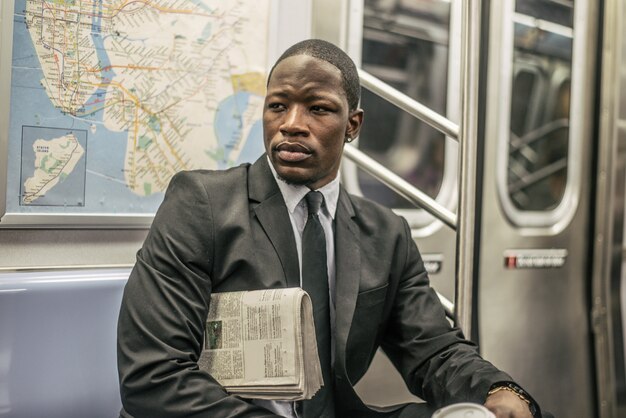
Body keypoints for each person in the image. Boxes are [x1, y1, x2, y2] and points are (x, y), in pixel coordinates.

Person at [117, 39, 545, 418]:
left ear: (352, 126)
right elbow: (155, 375)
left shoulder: (386, 234)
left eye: (317, 108)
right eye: (278, 105)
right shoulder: (203, 204)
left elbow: (433, 350)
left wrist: (499, 390)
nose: (292, 124)